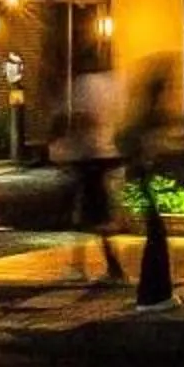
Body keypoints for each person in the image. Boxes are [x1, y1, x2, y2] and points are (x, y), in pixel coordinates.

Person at [65, 67, 123, 283]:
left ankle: (84, 266)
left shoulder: (86, 83)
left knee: (86, 214)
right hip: (109, 152)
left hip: (90, 155)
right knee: (97, 216)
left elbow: (83, 118)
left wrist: (71, 146)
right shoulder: (115, 82)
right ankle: (108, 266)